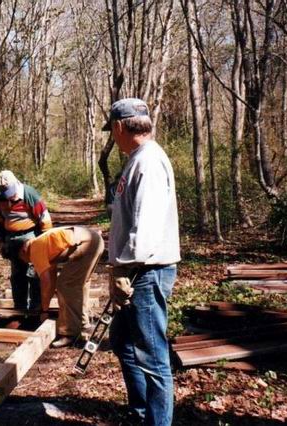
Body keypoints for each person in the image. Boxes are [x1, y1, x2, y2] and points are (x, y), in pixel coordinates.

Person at [103, 98, 180, 426]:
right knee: (123, 342)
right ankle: (141, 413)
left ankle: (156, 421)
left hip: (145, 271)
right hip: (135, 270)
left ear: (120, 127)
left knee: (153, 357)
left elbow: (145, 224)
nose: (113, 138)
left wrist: (125, 266)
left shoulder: (148, 161)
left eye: (112, 131)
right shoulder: (137, 160)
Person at [19, 226, 104, 348]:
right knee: (79, 284)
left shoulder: (34, 249)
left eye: (23, 259)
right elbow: (51, 279)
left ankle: (69, 333)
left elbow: (46, 283)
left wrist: (44, 310)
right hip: (93, 239)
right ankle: (84, 325)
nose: (27, 262)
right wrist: (45, 308)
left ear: (23, 250)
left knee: (65, 285)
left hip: (86, 243)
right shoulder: (43, 244)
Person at [0, 170, 52, 310]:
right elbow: (0, 219)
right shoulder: (0, 196)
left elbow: (45, 219)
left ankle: (36, 307)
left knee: (34, 274)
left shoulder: (29, 194)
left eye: (12, 193)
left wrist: (44, 242)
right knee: (17, 275)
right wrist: (1, 239)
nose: (10, 197)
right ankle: (19, 307)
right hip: (12, 238)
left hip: (31, 236)